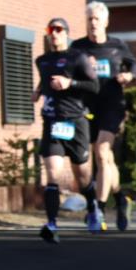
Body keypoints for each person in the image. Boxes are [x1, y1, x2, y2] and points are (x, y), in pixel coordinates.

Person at [70, 1, 136, 231]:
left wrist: (128, 76)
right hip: (87, 107)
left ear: (105, 22)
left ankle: (98, 208)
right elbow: (68, 71)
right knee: (104, 160)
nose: (92, 23)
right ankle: (120, 198)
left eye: (97, 19)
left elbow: (133, 65)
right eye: (89, 19)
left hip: (112, 104)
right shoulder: (78, 47)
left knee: (101, 151)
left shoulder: (117, 46)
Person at [33, 17, 100, 243]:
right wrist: (38, 91)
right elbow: (45, 80)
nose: (54, 34)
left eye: (59, 30)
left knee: (82, 176)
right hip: (52, 121)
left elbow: (94, 86)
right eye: (50, 29)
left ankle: (92, 208)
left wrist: (69, 83)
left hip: (75, 122)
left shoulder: (78, 58)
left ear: (66, 34)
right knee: (52, 173)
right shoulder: (41, 60)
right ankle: (52, 225)